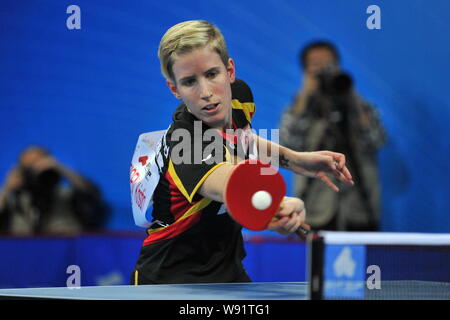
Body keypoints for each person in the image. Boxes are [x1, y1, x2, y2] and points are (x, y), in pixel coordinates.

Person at [131, 21, 354, 285]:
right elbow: (234, 185)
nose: (206, 93)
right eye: (189, 82)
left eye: (212, 74)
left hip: (227, 271)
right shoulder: (186, 145)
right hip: (170, 281)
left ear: (230, 71)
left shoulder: (238, 99)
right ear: (174, 89)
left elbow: (242, 140)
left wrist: (297, 160)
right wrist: (279, 205)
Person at [279, 41, 386, 232]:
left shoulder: (357, 106)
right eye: (316, 65)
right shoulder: (300, 108)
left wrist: (350, 94)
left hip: (359, 208)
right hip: (314, 209)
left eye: (329, 64)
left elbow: (377, 139)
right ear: (305, 70)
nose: (324, 70)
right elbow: (288, 142)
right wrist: (305, 94)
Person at [0, 146, 109, 235]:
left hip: (62, 251)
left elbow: (91, 192)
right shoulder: (15, 199)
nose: (35, 171)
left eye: (38, 163)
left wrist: (59, 168)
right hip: (22, 252)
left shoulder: (65, 193)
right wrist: (6, 188)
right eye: (29, 167)